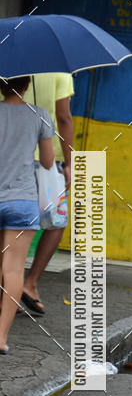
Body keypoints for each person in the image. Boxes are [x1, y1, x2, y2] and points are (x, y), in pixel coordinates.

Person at [0, 76, 55, 353]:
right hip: (22, 201)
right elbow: (47, 162)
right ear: (27, 84)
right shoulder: (39, 115)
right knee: (12, 270)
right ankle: (1, 337)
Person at [18, 73, 73, 314]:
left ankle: (7, 291)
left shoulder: (8, 65)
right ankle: (29, 284)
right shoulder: (60, 73)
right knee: (56, 222)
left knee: (12, 226)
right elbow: (64, 117)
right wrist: (70, 162)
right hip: (47, 160)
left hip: (11, 157)